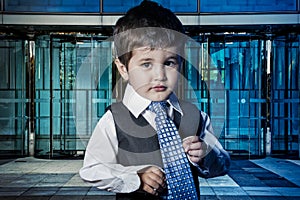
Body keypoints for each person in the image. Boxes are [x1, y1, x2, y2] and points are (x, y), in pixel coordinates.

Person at [79, 1, 230, 199]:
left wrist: (206, 155)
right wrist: (135, 178)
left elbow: (224, 164)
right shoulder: (113, 120)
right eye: (146, 64)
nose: (159, 75)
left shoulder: (196, 115)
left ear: (180, 64)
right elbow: (92, 169)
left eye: (169, 63)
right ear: (123, 69)